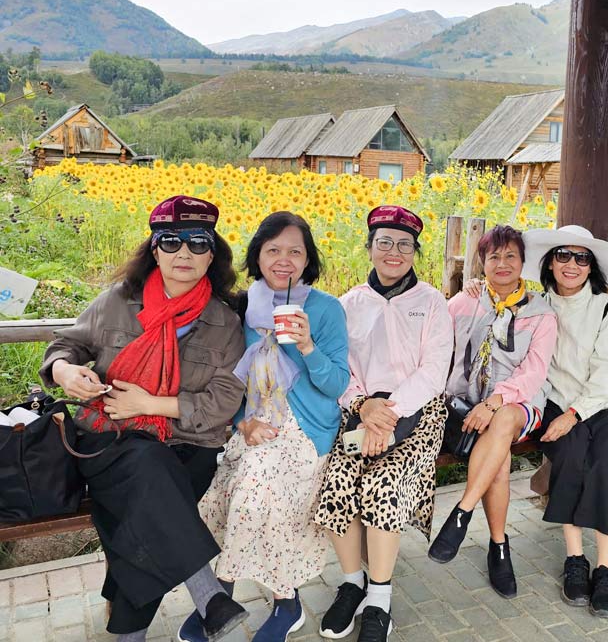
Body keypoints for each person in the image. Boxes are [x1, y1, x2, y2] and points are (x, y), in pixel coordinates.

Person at [39, 195, 247, 642]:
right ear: (154, 250)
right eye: (171, 242)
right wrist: (65, 372)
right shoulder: (117, 302)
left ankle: (135, 632)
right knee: (152, 476)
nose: (183, 253)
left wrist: (149, 404)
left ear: (212, 254)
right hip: (108, 438)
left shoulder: (225, 323)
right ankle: (207, 593)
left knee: (146, 510)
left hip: (189, 443)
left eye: (197, 243)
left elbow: (225, 399)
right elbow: (65, 346)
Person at [182, 213, 350, 642]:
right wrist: (242, 422)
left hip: (306, 430)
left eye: (295, 251)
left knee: (258, 491)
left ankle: (266, 599)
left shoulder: (326, 309)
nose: (283, 260)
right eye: (273, 250)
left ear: (308, 259)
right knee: (222, 493)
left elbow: (336, 385)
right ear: (257, 255)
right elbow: (228, 381)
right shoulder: (241, 308)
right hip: (255, 424)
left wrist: (308, 346)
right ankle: (234, 598)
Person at [314, 205, 452, 642]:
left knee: (383, 482)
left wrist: (388, 414)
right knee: (338, 477)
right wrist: (364, 407)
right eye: (385, 242)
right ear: (370, 247)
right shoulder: (348, 304)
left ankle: (380, 596)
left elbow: (434, 371)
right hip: (362, 411)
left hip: (419, 412)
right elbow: (340, 367)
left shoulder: (432, 302)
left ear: (416, 251)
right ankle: (352, 582)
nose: (394, 252)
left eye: (405, 244)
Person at [428, 225, 557, 599]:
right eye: (494, 256)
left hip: (520, 403)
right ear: (482, 263)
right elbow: (434, 344)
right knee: (498, 460)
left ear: (522, 262)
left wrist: (495, 401)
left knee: (501, 420)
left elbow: (534, 372)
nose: (502, 264)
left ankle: (462, 512)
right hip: (466, 404)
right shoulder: (465, 302)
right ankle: (499, 546)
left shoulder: (541, 313)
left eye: (510, 256)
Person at [522, 224, 608, 618]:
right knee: (570, 458)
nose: (572, 264)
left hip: (605, 406)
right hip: (556, 404)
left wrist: (575, 415)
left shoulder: (607, 310)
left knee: (600, 463)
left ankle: (605, 568)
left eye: (582, 257)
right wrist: (472, 289)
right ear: (550, 263)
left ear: (591, 267)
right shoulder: (535, 306)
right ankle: (575, 559)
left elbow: (607, 376)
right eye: (563, 255)